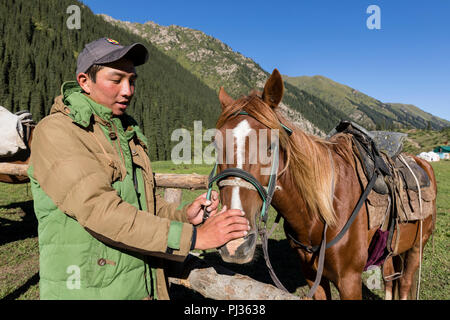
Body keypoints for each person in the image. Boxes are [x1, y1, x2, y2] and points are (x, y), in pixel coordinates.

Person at [28, 37, 249, 300]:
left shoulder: (125, 132)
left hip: (139, 287)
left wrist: (183, 216)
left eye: (132, 81)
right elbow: (100, 210)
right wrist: (194, 238)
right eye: (116, 79)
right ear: (84, 81)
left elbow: (143, 205)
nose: (128, 90)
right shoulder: (57, 132)